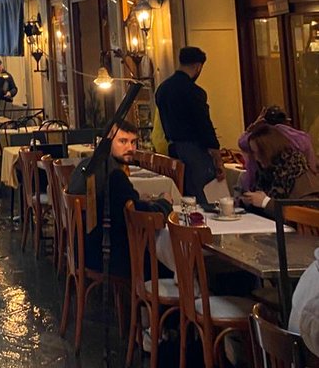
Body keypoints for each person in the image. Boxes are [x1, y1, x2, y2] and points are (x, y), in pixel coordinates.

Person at [76, 120, 172, 278]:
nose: (130, 148)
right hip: (107, 257)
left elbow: (125, 204)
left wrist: (137, 199)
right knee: (173, 263)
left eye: (133, 142)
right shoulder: (114, 174)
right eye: (123, 141)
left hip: (84, 250)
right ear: (108, 142)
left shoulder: (86, 165)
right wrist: (165, 203)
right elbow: (143, 215)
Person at [154, 46, 222, 205]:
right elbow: (204, 125)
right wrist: (216, 156)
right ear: (198, 66)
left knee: (183, 196)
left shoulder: (162, 89)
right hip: (195, 152)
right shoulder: (194, 92)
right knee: (203, 196)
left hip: (172, 148)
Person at [239, 121, 319, 214]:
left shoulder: (298, 172)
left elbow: (310, 212)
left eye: (259, 153)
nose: (256, 158)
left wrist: (266, 203)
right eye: (254, 153)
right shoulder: (266, 173)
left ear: (269, 150)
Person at [237, 106, 317, 192]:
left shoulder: (267, 139)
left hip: (287, 185)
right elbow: (312, 165)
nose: (256, 157)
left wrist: (253, 127)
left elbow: (242, 143)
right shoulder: (301, 138)